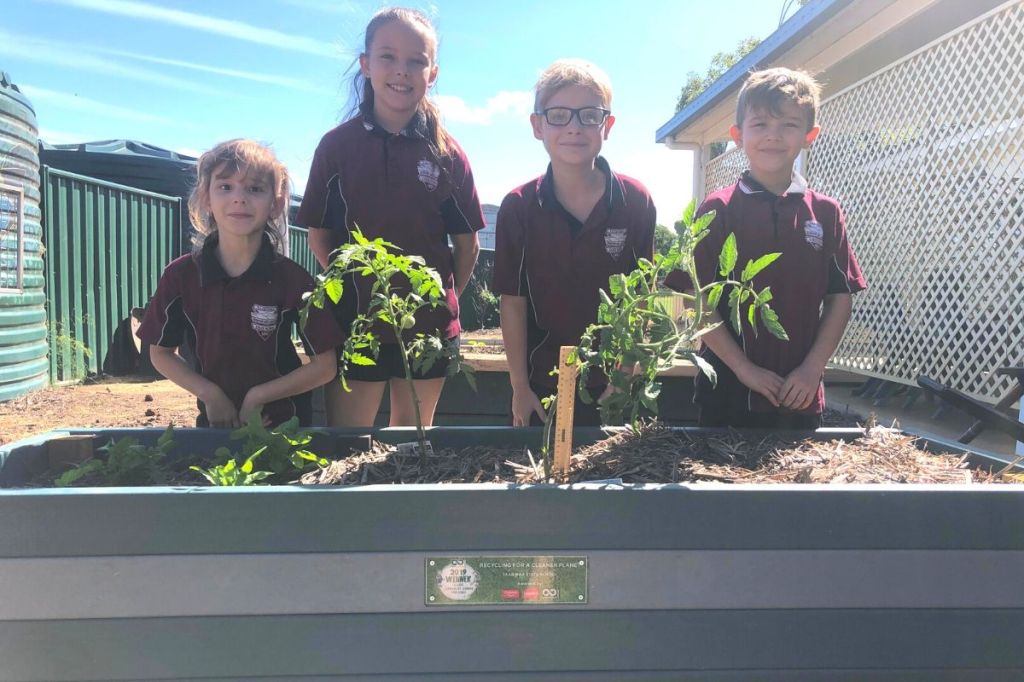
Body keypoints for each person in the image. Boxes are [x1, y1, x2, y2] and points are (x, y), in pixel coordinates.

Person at [297, 7, 485, 428]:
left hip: (429, 329)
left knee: (411, 444)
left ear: (432, 74)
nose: (402, 70)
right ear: (366, 65)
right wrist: (358, 286)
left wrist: (435, 298)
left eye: (416, 60)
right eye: (387, 56)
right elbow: (319, 235)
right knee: (350, 445)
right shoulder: (337, 148)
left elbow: (467, 245)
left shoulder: (448, 154)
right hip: (357, 325)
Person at [665, 67, 868, 428]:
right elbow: (696, 298)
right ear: (737, 136)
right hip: (727, 393)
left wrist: (812, 369)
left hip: (800, 396)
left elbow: (840, 296)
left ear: (810, 135)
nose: (773, 135)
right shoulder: (718, 209)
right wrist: (744, 369)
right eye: (760, 124)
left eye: (789, 124)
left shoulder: (825, 212)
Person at [494, 59, 656, 427]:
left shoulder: (635, 201)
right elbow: (513, 302)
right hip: (542, 385)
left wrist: (624, 374)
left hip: (615, 385)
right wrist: (519, 386)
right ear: (537, 126)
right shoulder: (518, 207)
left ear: (607, 126)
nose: (574, 127)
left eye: (589, 116)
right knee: (542, 463)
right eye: (558, 115)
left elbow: (642, 299)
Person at [138, 139, 343, 428]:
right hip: (215, 426)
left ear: (276, 204)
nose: (239, 198)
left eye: (255, 189)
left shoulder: (294, 280)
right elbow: (160, 353)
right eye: (225, 187)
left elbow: (325, 366)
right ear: (206, 198)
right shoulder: (181, 276)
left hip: (287, 429)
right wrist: (209, 394)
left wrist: (259, 396)